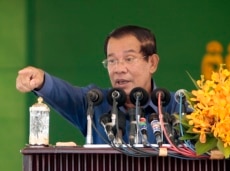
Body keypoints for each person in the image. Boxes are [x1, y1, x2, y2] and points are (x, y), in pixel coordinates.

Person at [16, 25, 182, 145]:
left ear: (152, 62)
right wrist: (41, 80)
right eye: (112, 61)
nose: (118, 69)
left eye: (129, 59)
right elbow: (64, 94)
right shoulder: (95, 103)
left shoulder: (177, 106)